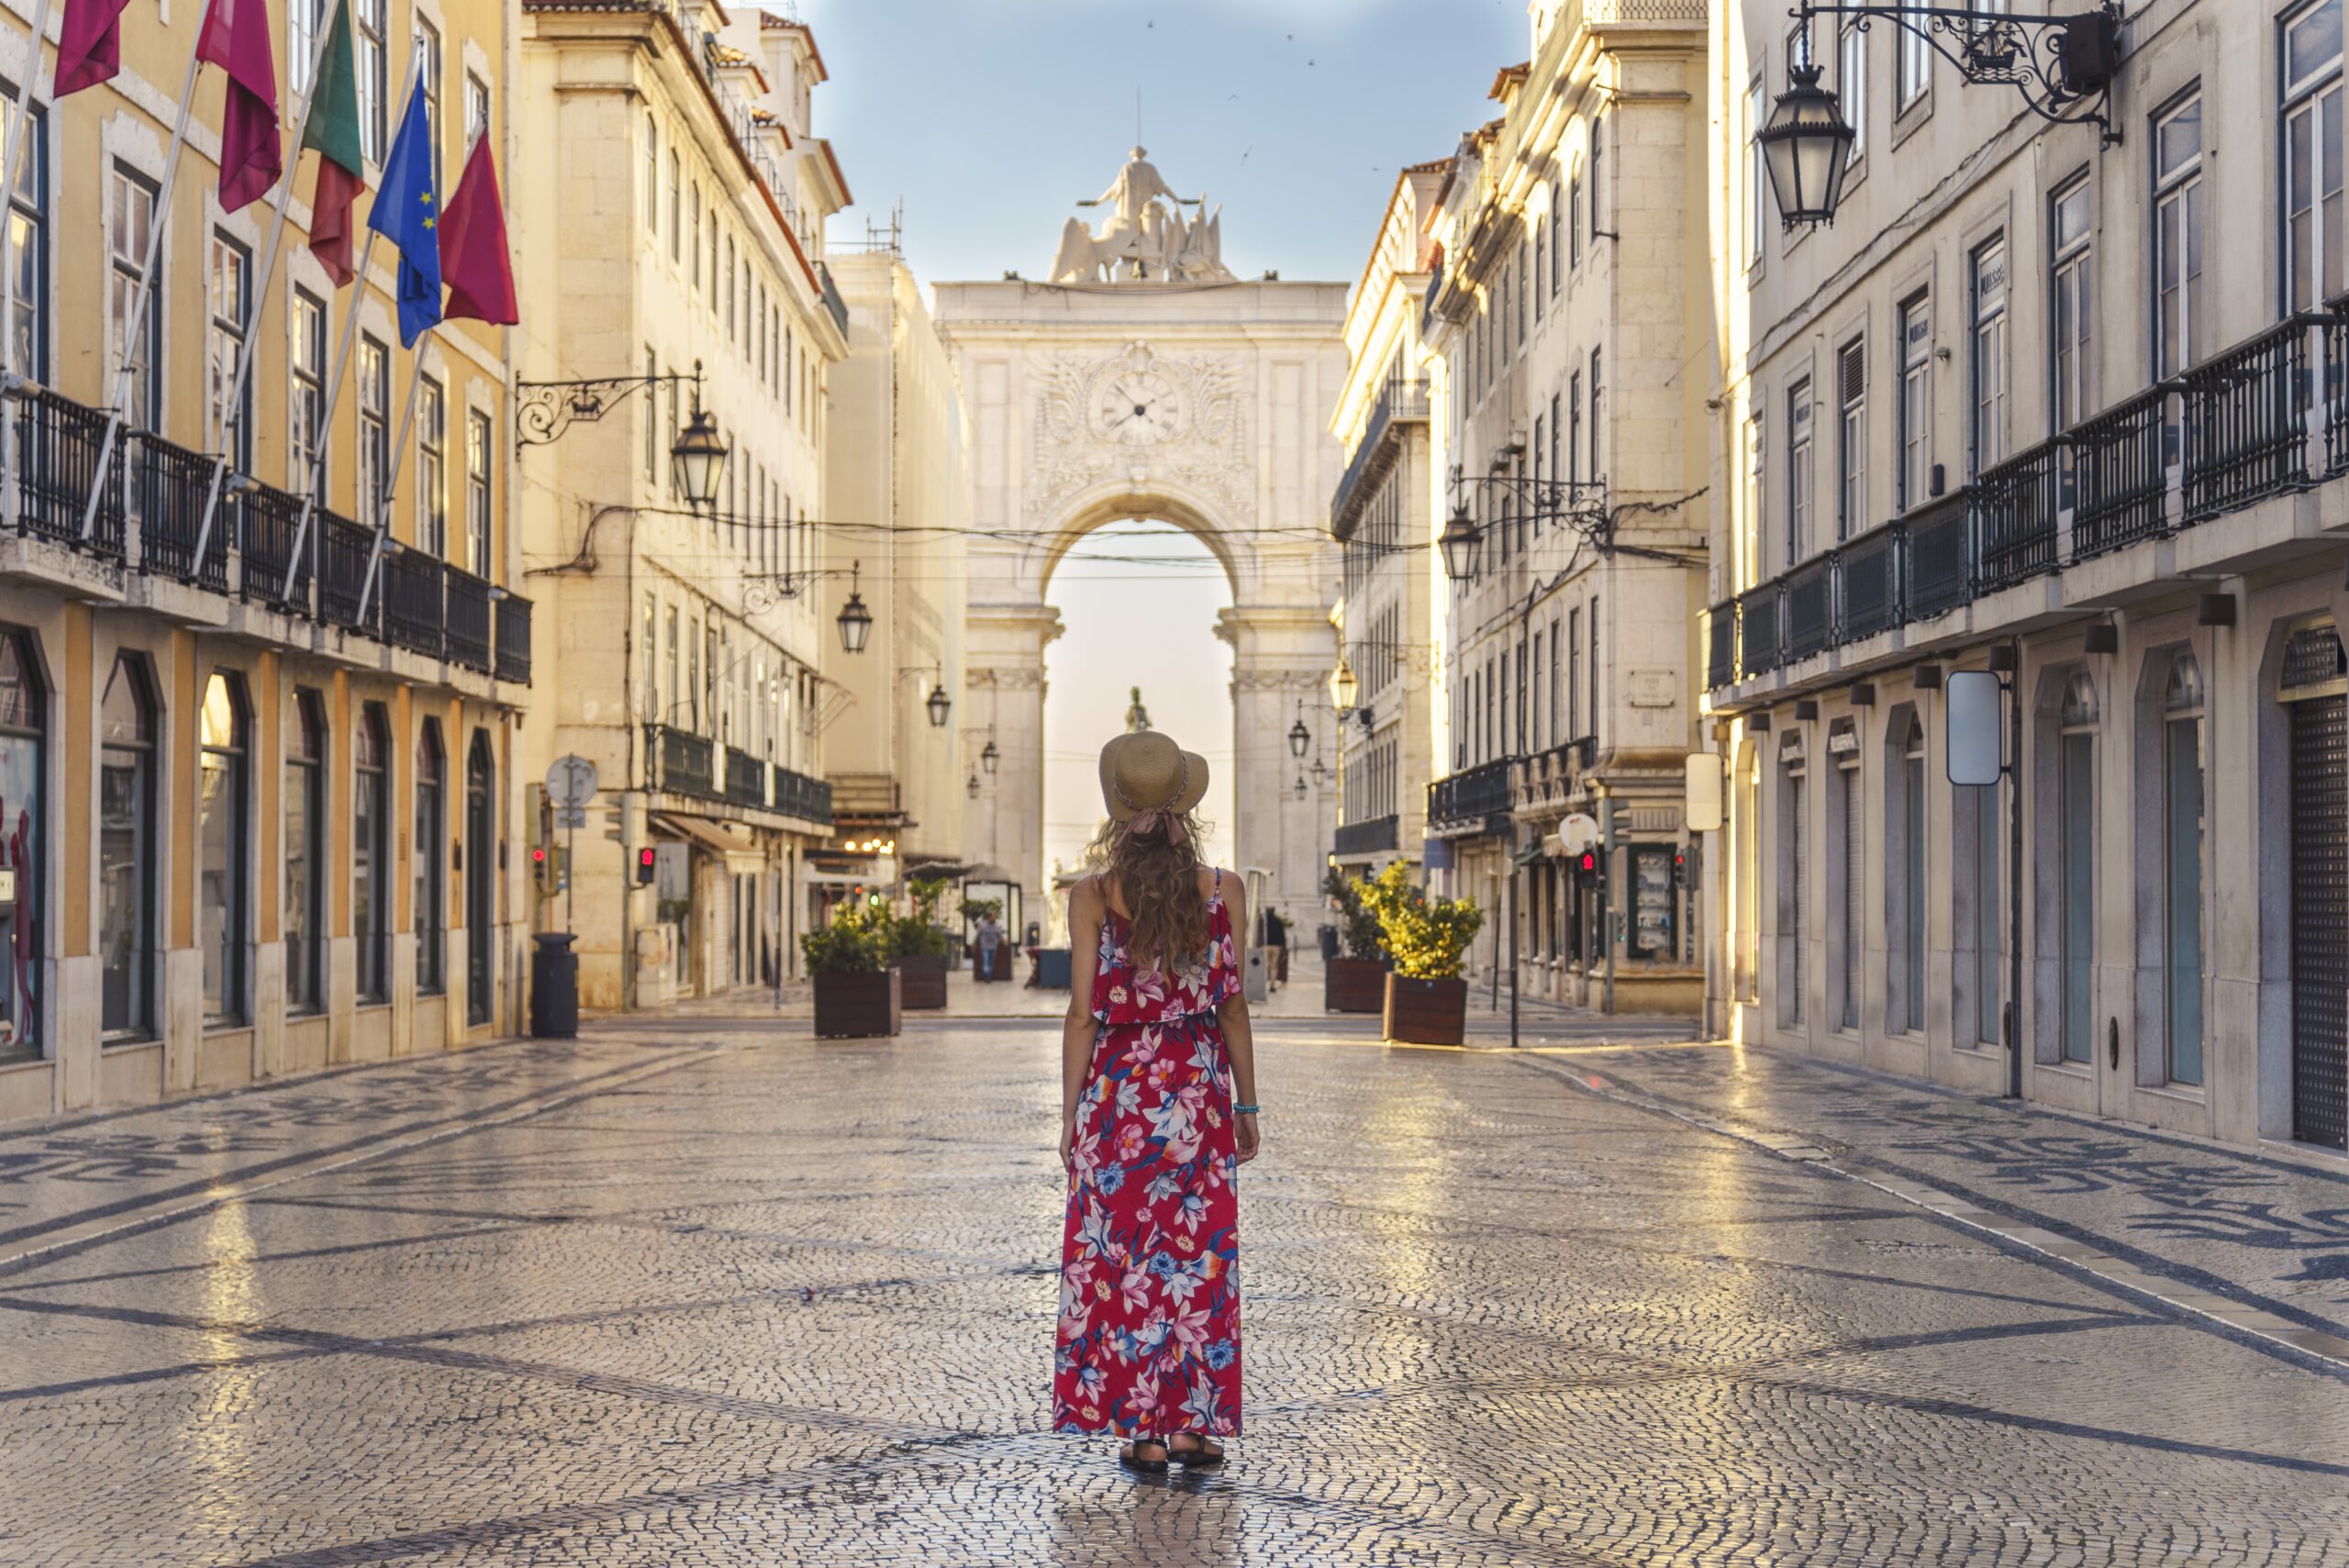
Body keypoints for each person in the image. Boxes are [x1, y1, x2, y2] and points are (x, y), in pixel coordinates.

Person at [1054, 730, 1260, 1474]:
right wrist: (1248, 1104)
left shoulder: (1091, 895)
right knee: (1196, 1260)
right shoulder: (1222, 889)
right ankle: (1192, 1429)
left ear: (1118, 809)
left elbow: (1082, 1012)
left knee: (1125, 1259)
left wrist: (1072, 1110)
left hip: (1120, 1096)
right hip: (1197, 1093)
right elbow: (1233, 1007)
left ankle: (1139, 1428)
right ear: (1184, 807)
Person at [975, 911, 1001, 981]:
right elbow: (978, 934)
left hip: (993, 947)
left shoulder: (996, 925)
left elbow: (999, 935)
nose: (994, 919)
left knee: (991, 963)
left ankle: (988, 976)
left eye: (994, 917)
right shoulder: (982, 925)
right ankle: (987, 976)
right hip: (985, 947)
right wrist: (975, 941)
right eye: (993, 917)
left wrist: (1002, 940)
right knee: (986, 962)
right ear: (989, 917)